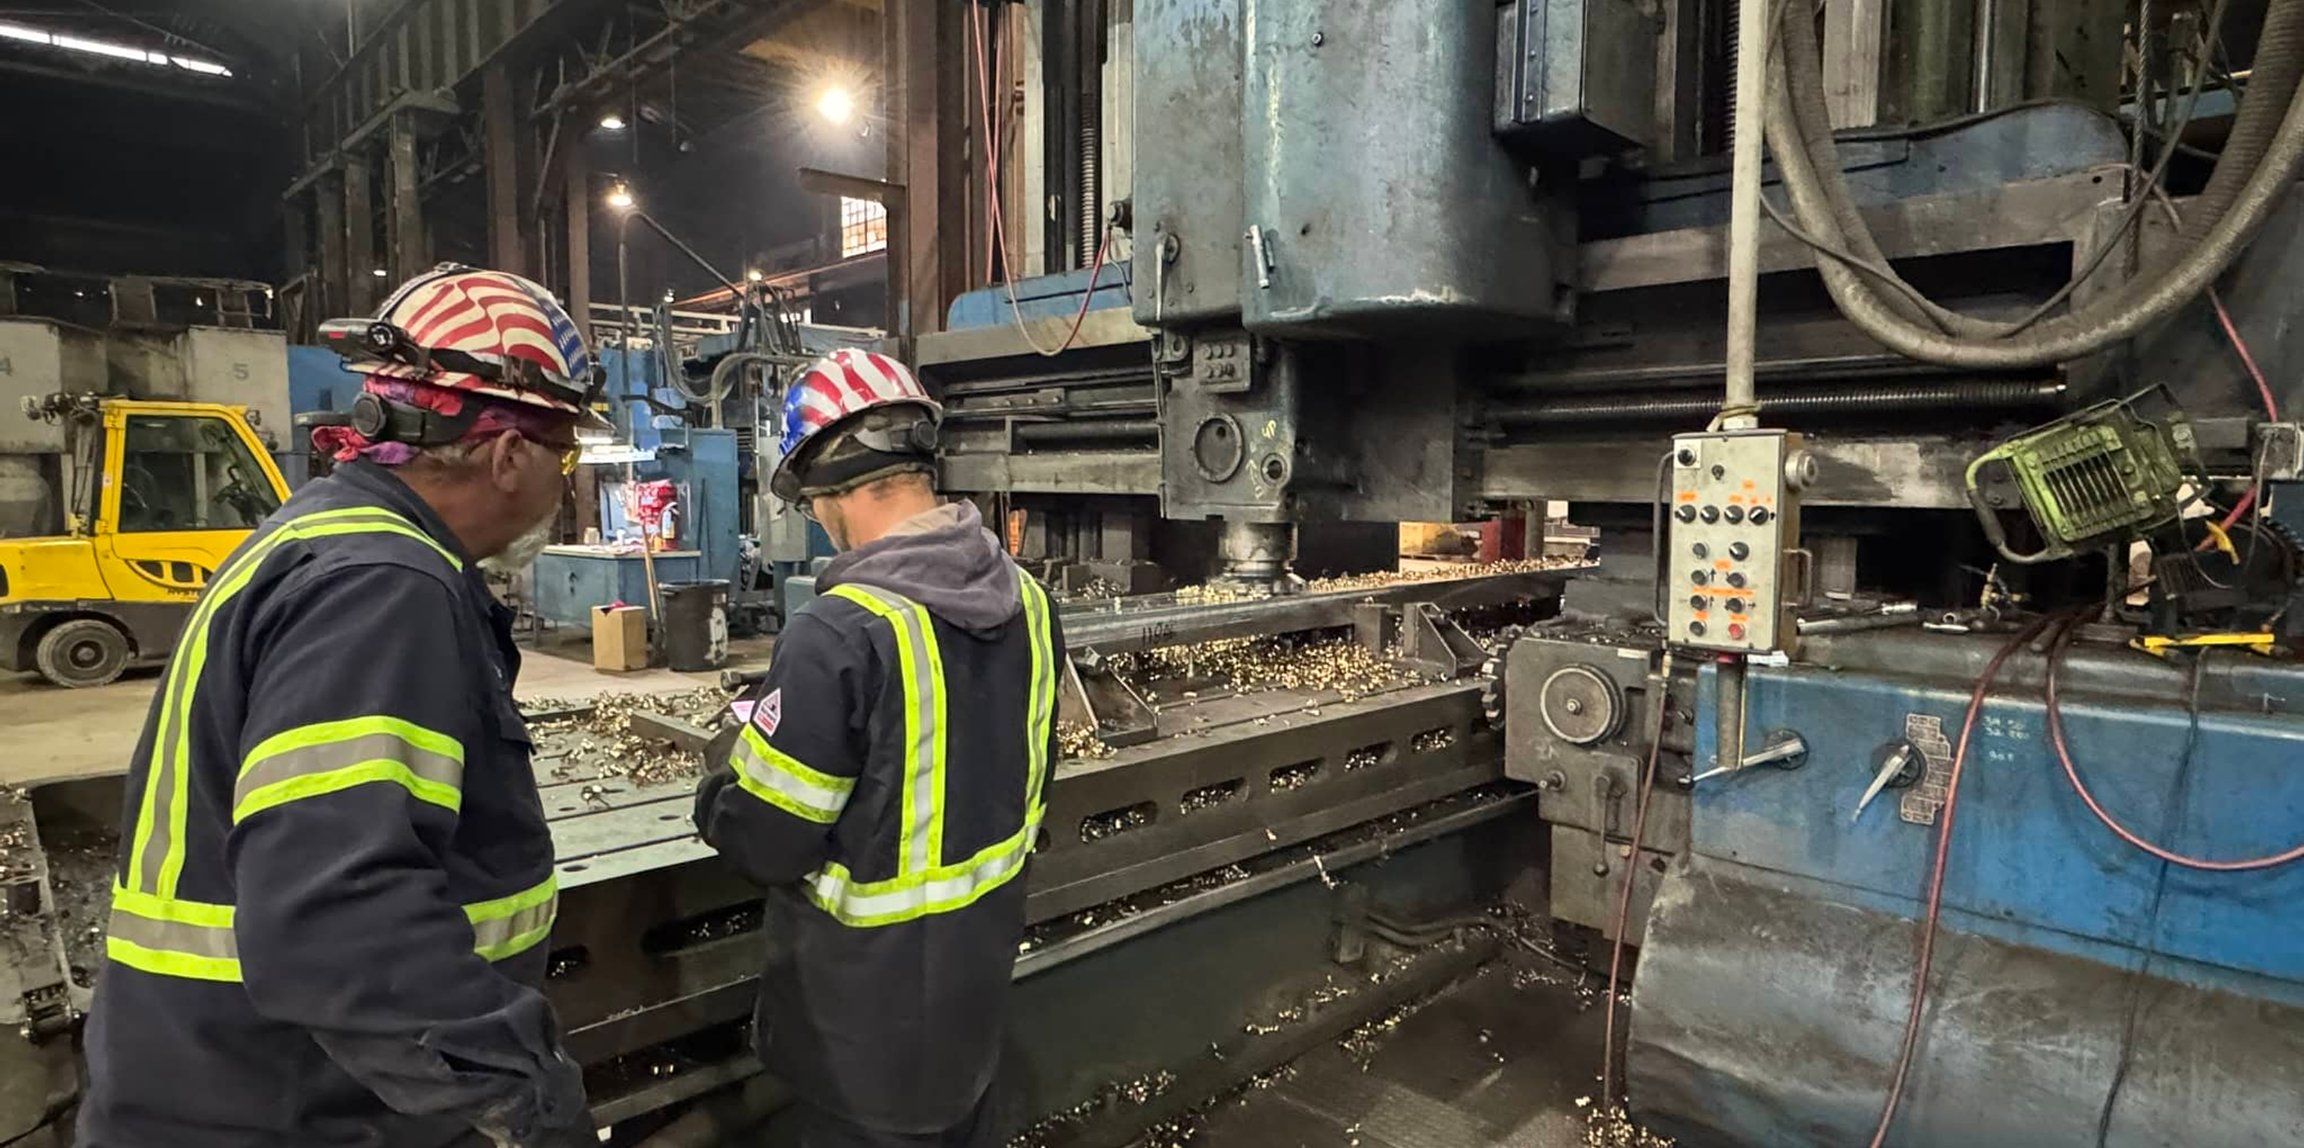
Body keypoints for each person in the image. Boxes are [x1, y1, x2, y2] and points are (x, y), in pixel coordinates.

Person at [77, 265, 605, 1148]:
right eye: (568, 453)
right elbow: (338, 923)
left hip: (238, 1082)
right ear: (510, 456)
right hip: (281, 1106)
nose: (568, 479)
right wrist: (529, 1098)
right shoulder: (383, 585)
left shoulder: (323, 538)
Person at [694, 348, 1063, 1147]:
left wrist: (726, 766)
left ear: (825, 492)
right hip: (974, 1002)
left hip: (857, 1033)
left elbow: (767, 839)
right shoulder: (1031, 602)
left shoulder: (837, 632)